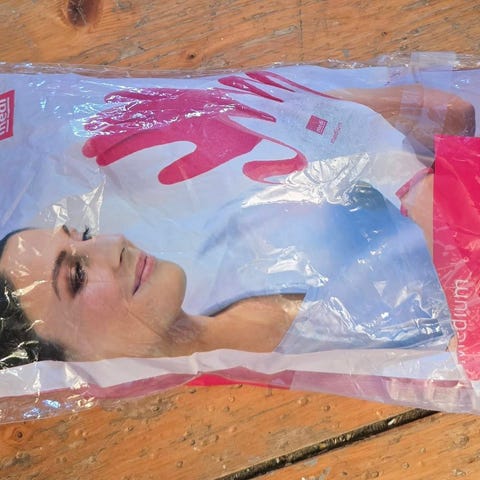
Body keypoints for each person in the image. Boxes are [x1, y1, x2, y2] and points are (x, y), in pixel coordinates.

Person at [0, 83, 475, 367]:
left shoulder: (251, 234)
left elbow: (451, 113)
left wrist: (298, 109)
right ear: (74, 368)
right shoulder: (261, 406)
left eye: (84, 237)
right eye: (77, 275)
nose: (112, 243)